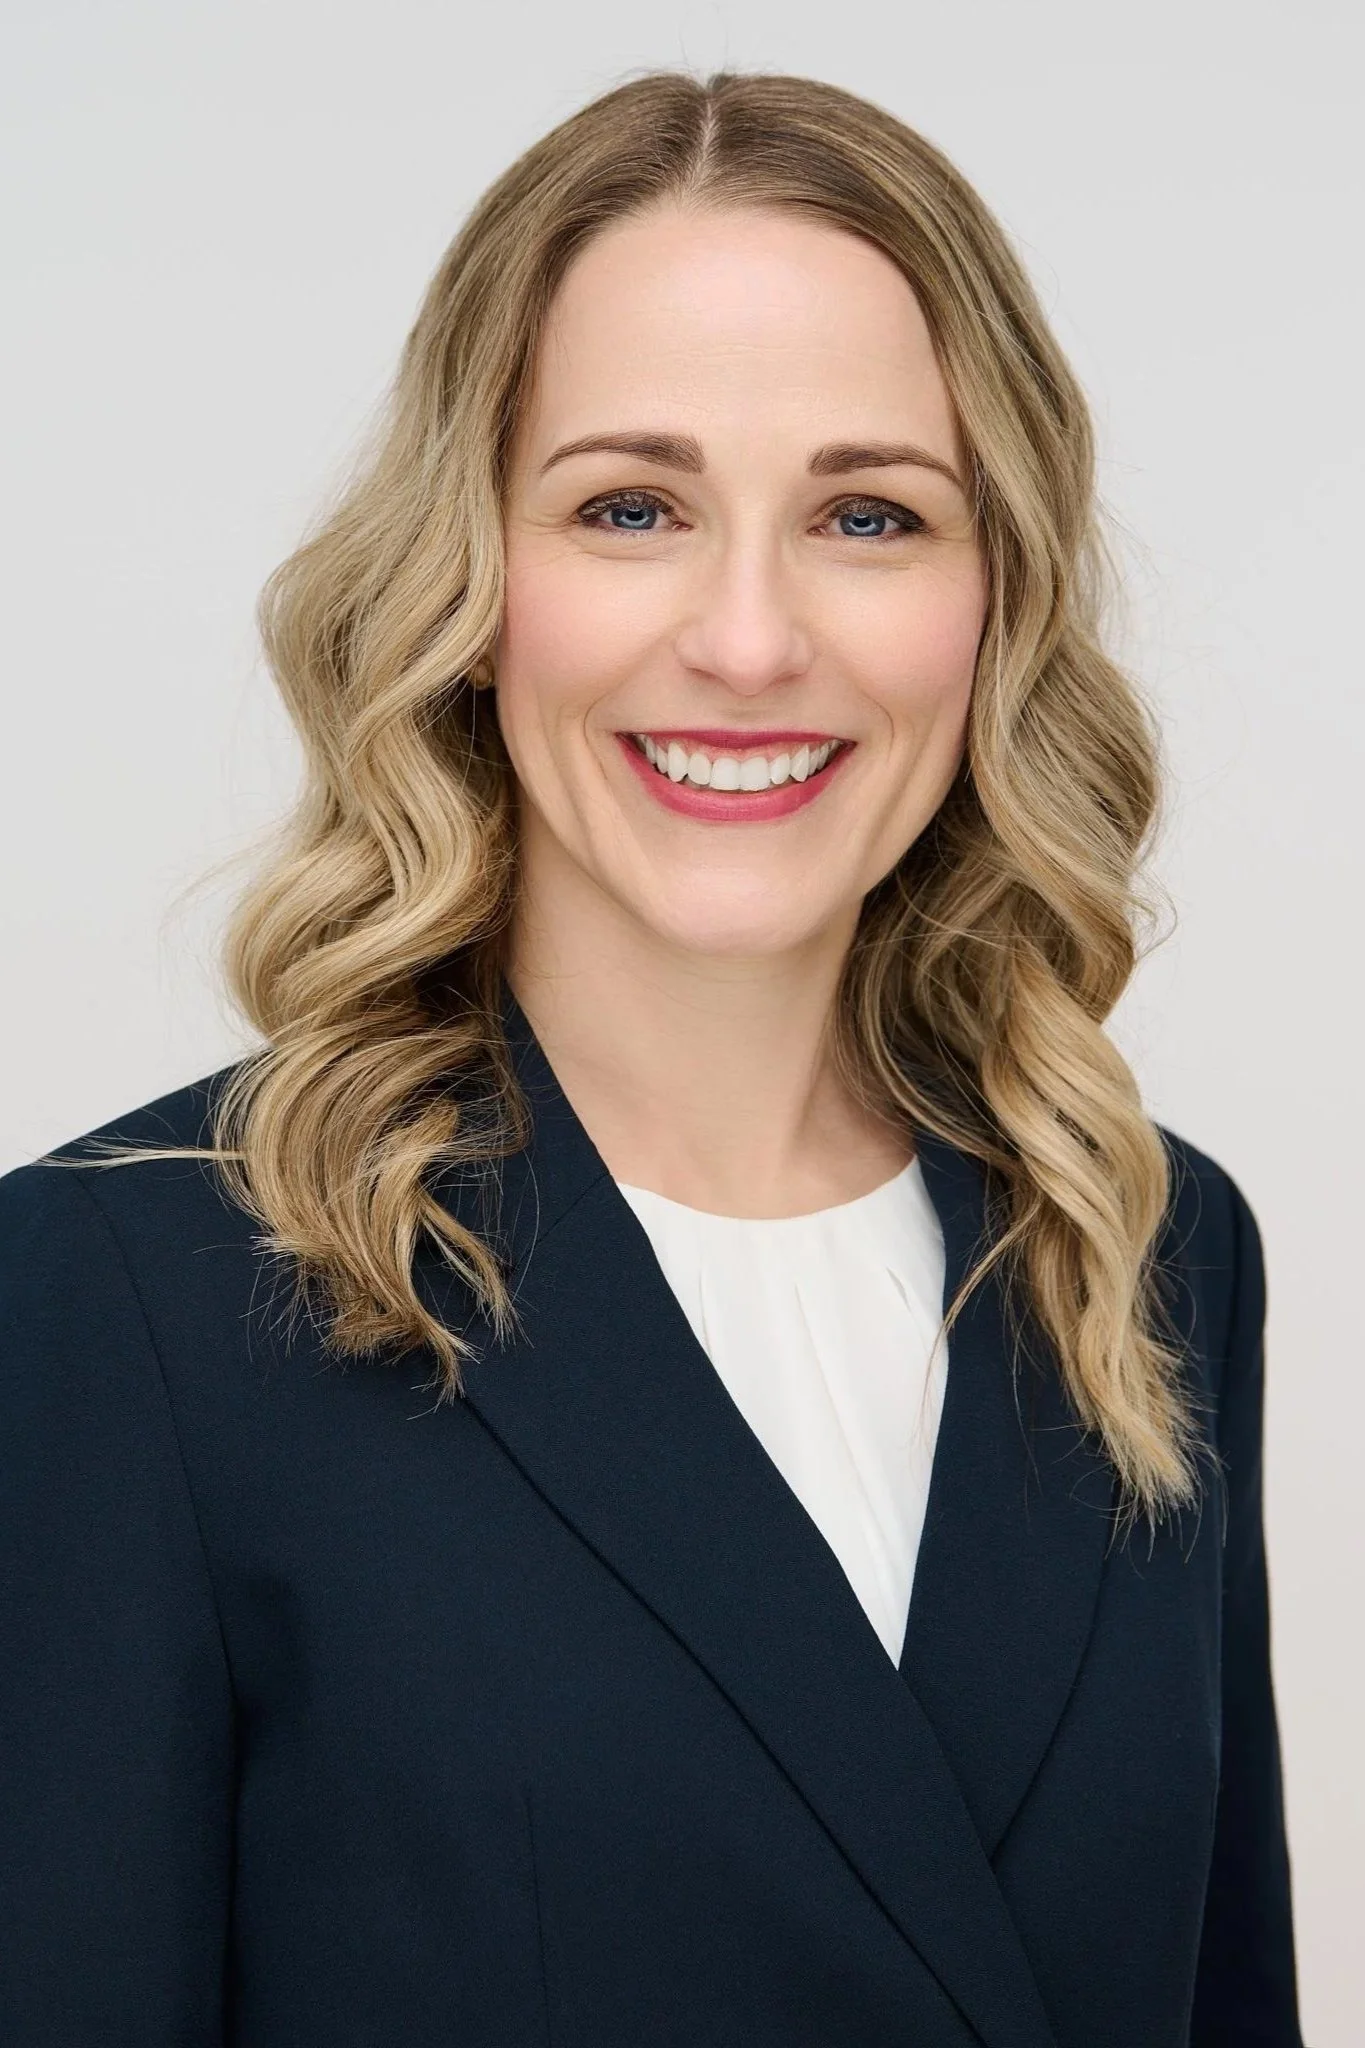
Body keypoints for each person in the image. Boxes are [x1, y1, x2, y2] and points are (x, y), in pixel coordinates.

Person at [0, 68, 1302, 2048]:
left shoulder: (1141, 1243)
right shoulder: (127, 1295)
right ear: (470, 580)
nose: (753, 636)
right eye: (632, 506)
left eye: (869, 512)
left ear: (993, 596)